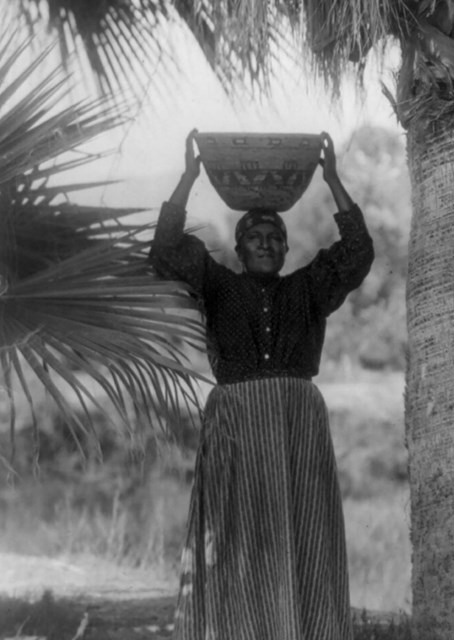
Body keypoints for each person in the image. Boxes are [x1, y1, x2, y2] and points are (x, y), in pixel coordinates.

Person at [150, 129, 374, 640]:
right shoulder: (216, 285)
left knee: (305, 530)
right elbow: (165, 248)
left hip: (297, 424)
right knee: (238, 533)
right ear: (240, 247)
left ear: (287, 247)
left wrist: (332, 179)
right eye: (256, 237)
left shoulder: (309, 288)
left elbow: (358, 251)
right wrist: (189, 178)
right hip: (237, 423)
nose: (267, 245)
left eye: (275, 238)